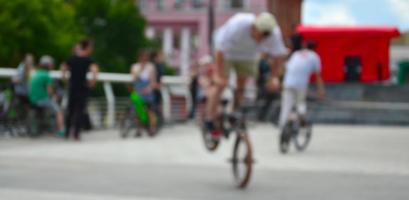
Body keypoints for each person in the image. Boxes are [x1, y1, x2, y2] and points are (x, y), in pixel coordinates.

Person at [206, 12, 288, 139]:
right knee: (220, 85)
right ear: (253, 27)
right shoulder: (238, 24)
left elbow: (277, 56)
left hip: (248, 56)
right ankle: (210, 119)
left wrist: (274, 78)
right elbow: (219, 51)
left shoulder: (274, 33)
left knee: (241, 87)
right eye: (259, 35)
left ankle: (234, 112)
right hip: (227, 53)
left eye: (264, 37)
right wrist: (218, 76)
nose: (261, 40)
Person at [278, 41, 325, 131]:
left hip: (288, 82)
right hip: (301, 84)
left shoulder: (296, 54)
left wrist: (281, 81)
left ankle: (282, 127)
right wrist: (321, 90)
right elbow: (318, 75)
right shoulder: (314, 56)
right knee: (300, 103)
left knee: (286, 105)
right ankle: (300, 119)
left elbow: (286, 67)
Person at [63, 40, 99, 141]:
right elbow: (95, 71)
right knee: (80, 110)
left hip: (72, 86)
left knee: (70, 109)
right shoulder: (88, 59)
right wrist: (92, 83)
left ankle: (67, 132)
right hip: (83, 87)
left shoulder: (72, 58)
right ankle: (76, 133)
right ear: (87, 47)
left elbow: (63, 68)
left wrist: (65, 80)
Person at [28, 55, 65, 137]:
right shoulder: (46, 75)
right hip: (41, 100)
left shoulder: (36, 73)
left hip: (32, 99)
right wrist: (54, 97)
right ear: (48, 65)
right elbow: (50, 91)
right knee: (59, 111)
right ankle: (61, 130)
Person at [131, 50, 158, 135]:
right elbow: (134, 78)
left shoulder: (151, 67)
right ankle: (139, 129)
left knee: (150, 110)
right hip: (138, 91)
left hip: (148, 90)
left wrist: (149, 88)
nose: (144, 59)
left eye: (145, 57)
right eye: (142, 57)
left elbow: (153, 81)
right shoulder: (135, 66)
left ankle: (152, 128)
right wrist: (141, 69)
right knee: (138, 110)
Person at [150, 51, 164, 121]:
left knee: (157, 105)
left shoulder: (159, 66)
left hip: (157, 87)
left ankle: (156, 121)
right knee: (153, 106)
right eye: (159, 56)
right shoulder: (153, 66)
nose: (161, 58)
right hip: (153, 88)